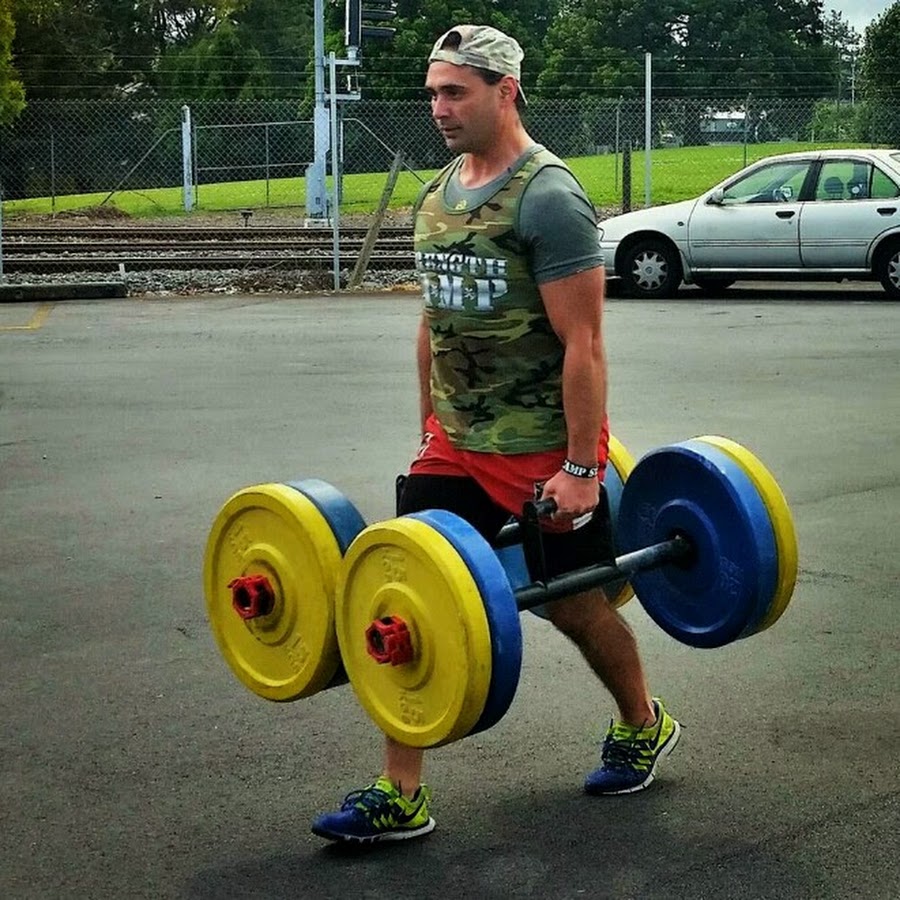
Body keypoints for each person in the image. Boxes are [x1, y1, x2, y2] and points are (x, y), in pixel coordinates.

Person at [312, 24, 680, 845]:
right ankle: (401, 789)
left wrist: (582, 467)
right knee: (409, 594)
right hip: (455, 444)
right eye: (433, 93)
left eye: (456, 92)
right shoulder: (438, 194)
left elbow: (585, 344)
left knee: (576, 606)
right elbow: (433, 322)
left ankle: (642, 721)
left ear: (504, 91)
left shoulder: (549, 197)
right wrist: (428, 428)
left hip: (541, 449)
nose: (438, 108)